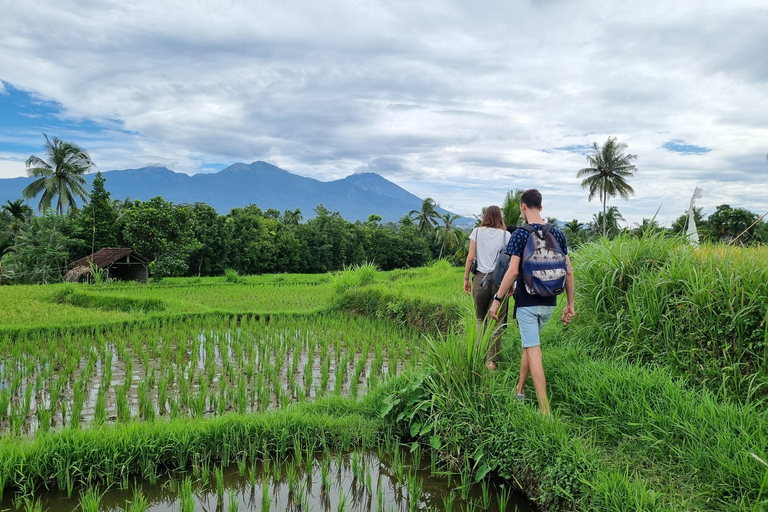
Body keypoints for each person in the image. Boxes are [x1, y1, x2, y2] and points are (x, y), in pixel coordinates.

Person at [490, 189, 575, 415]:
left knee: (533, 349)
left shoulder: (520, 234)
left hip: (527, 301)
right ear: (541, 207)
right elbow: (569, 272)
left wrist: (497, 300)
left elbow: (511, 272)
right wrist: (570, 303)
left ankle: (545, 411)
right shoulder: (558, 234)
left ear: (522, 207)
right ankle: (519, 391)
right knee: (529, 345)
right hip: (549, 301)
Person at [463, 205, 512, 370]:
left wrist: (466, 278)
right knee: (495, 323)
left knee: (479, 319)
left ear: (485, 217)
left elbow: (470, 257)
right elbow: (510, 263)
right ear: (500, 218)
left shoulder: (476, 232)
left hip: (479, 279)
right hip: (500, 281)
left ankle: (478, 353)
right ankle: (490, 362)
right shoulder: (507, 235)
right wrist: (511, 284)